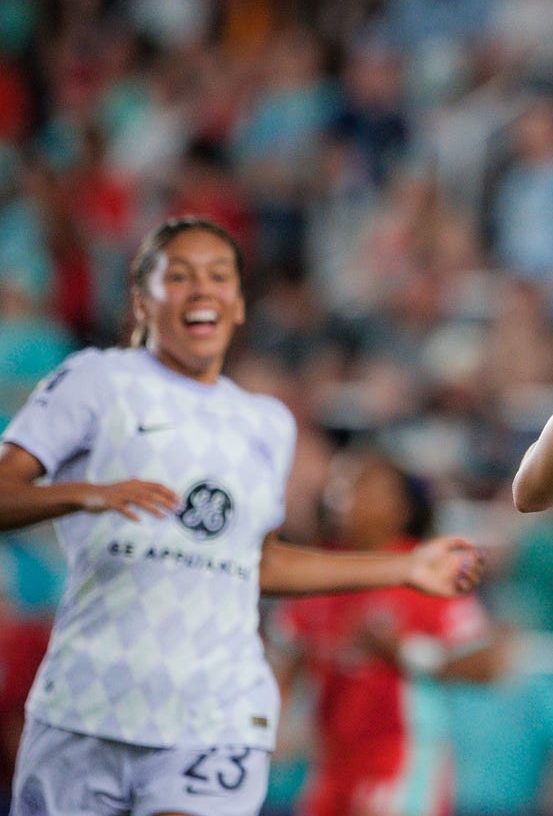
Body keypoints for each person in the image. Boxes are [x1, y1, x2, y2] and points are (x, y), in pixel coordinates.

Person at [0, 216, 484, 816]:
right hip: (88, 704)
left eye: (218, 277)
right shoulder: (96, 381)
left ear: (237, 305)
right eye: (179, 276)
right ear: (142, 301)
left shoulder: (266, 424)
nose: (202, 290)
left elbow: (260, 562)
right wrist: (83, 495)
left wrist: (405, 568)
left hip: (213, 713)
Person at [270, 447, 511, 816]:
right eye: (344, 483)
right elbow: (288, 656)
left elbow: (486, 664)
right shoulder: (320, 569)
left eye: (366, 486)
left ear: (401, 506)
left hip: (401, 757)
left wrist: (405, 651)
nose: (349, 496)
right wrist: (274, 726)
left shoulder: (424, 569)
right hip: (331, 761)